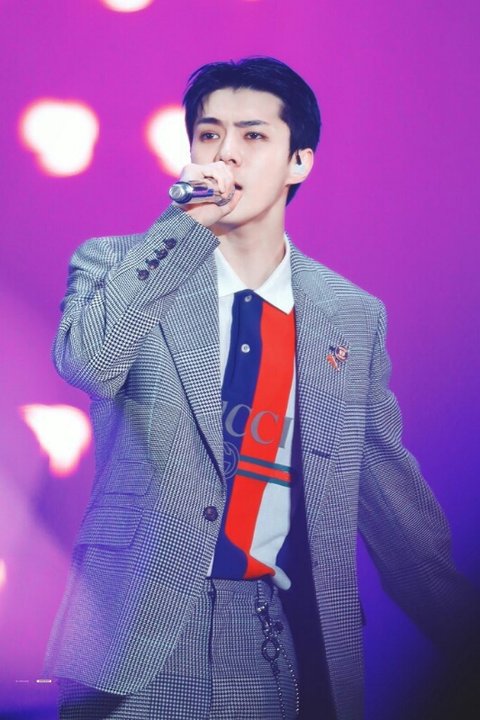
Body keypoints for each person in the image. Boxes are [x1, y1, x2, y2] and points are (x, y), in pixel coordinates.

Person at [44, 56, 478, 720]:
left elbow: (394, 505)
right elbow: (87, 363)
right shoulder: (118, 263)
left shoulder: (350, 316)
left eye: (253, 135)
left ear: (299, 161)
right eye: (209, 134)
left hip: (271, 634)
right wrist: (182, 226)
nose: (226, 153)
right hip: (134, 641)